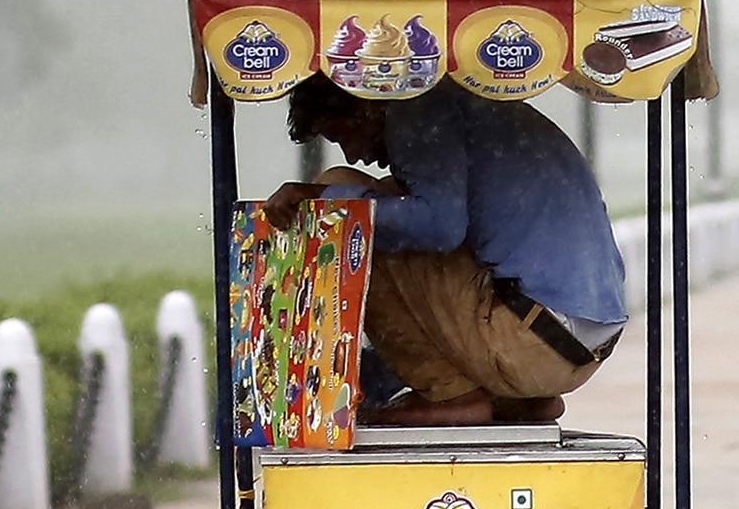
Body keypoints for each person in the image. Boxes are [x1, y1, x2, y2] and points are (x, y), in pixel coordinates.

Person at [267, 74, 628, 427]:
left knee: (345, 199)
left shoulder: (416, 108)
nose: (354, 154)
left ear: (367, 106)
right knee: (383, 200)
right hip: (576, 347)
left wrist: (323, 200)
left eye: (344, 136)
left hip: (531, 341)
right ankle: (520, 398)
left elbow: (438, 228)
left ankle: (450, 395)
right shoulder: (462, 102)